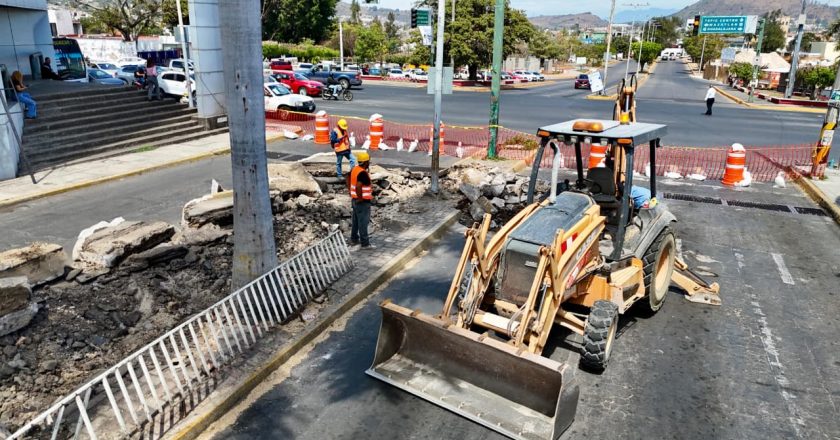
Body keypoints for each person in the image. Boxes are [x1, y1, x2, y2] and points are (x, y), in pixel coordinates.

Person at [348, 151, 374, 250]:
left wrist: (350, 191)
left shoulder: (355, 169)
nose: (369, 163)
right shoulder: (363, 173)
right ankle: (365, 243)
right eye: (368, 162)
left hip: (354, 200)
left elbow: (348, 177)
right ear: (365, 162)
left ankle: (354, 239)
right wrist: (360, 198)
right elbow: (359, 186)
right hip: (362, 202)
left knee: (356, 221)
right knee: (363, 222)